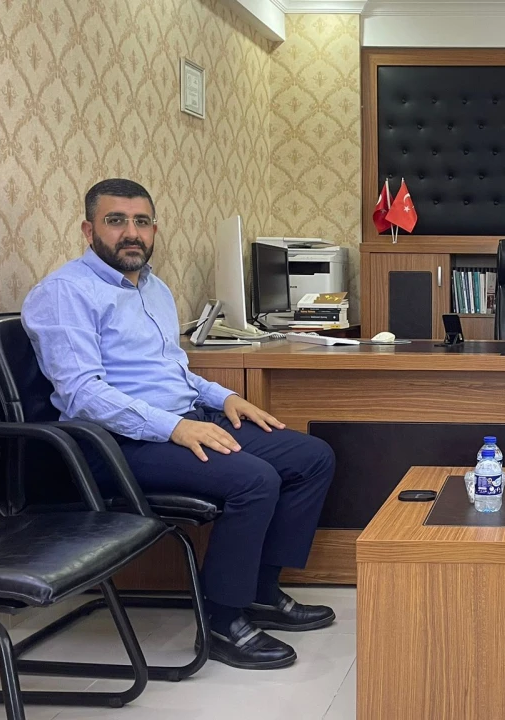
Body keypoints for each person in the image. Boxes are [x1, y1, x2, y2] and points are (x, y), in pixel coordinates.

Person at [22, 179, 336, 671]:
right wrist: (173, 428)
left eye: (141, 222)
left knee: (311, 457)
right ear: (88, 229)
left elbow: (176, 372)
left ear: (154, 230)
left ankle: (259, 591)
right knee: (254, 480)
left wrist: (226, 397)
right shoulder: (65, 293)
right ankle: (222, 622)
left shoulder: (155, 288)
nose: (131, 233)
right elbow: (82, 394)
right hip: (112, 444)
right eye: (115, 220)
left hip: (179, 422)